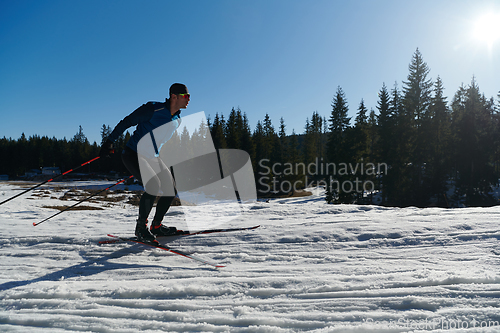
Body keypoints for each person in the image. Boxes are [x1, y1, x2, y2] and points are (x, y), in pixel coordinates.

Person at [99, 83, 190, 242]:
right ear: (174, 96)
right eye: (185, 96)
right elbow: (127, 121)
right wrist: (109, 142)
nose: (188, 99)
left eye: (189, 96)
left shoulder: (177, 119)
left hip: (152, 157)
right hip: (133, 153)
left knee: (170, 189)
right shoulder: (153, 109)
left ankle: (157, 226)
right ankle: (141, 228)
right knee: (153, 185)